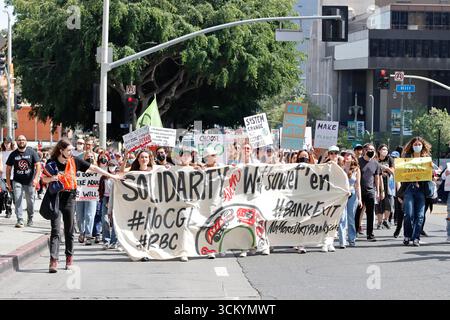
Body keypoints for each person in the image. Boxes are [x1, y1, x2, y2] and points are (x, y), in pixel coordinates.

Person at [41, 138, 122, 273]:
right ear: (61, 151)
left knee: (69, 229)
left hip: (69, 197)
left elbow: (94, 168)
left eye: (72, 149)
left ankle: (69, 259)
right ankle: (53, 261)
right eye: (69, 150)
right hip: (55, 197)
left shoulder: (74, 161)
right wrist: (53, 178)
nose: (71, 152)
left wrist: (112, 176)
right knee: (55, 229)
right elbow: (43, 179)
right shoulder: (52, 163)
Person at [400, 136, 432, 247]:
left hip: (422, 190)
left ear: (423, 146)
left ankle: (416, 238)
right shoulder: (406, 158)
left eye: (419, 144)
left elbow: (430, 175)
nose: (417, 146)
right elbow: (401, 174)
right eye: (415, 144)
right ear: (411, 146)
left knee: (420, 216)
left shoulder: (426, 158)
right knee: (408, 214)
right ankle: (407, 236)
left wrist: (432, 172)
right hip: (409, 189)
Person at [6, 135, 41, 228]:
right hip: (17, 181)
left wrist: (36, 179)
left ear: (26, 141)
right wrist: (8, 183)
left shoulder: (32, 152)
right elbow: (8, 169)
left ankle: (30, 218)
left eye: (23, 140)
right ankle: (20, 220)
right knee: (18, 200)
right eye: (19, 140)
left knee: (31, 202)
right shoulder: (13, 154)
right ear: (17, 142)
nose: (21, 141)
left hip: (30, 181)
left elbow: (38, 166)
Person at [357, 143, 383, 242]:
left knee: (370, 213)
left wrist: (378, 191)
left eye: (373, 149)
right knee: (358, 212)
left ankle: (370, 234)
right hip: (359, 190)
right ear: (364, 150)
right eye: (369, 149)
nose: (371, 151)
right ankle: (355, 231)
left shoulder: (376, 163)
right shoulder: (358, 162)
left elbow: (377, 178)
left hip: (371, 191)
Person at [341, 150, 362, 247]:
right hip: (342, 194)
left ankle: (352, 238)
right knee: (342, 217)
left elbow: (358, 185)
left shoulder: (356, 169)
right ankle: (342, 240)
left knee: (351, 217)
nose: (346, 156)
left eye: (349, 155)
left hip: (353, 194)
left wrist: (360, 198)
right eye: (345, 155)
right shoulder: (340, 168)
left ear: (353, 157)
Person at [376, 144, 395, 230]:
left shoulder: (390, 159)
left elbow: (393, 171)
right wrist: (382, 170)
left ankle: (386, 220)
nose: (385, 151)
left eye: (386, 150)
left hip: (389, 184)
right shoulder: (375, 159)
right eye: (383, 149)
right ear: (379, 150)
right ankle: (379, 222)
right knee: (379, 203)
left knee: (389, 203)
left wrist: (384, 168)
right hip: (378, 183)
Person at [0, 137, 15, 217]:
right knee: (3, 193)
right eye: (5, 143)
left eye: (8, 143)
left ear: (11, 143)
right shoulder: (2, 152)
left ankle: (8, 211)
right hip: (3, 176)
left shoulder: (14, 152)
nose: (7, 144)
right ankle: (5, 208)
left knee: (10, 194)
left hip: (12, 176)